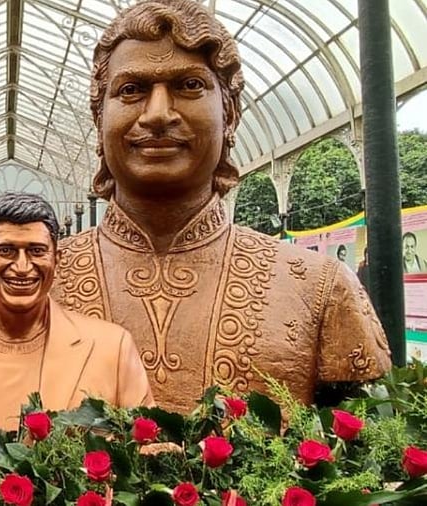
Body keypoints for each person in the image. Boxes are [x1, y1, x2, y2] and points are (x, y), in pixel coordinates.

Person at [53, 0, 390, 413]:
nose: (158, 114)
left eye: (189, 85)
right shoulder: (29, 283)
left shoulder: (321, 288)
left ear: (230, 114)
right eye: (131, 90)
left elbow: (369, 450)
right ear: (99, 118)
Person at [0, 193, 153, 434]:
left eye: (36, 251)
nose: (22, 267)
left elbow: (145, 449)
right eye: (6, 251)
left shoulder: (112, 347)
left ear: (57, 259)